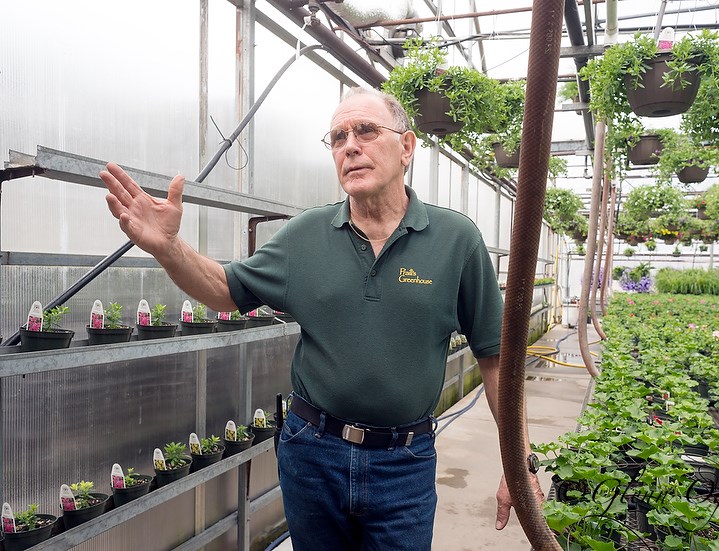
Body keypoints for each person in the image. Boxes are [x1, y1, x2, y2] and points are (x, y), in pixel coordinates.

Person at [100, 86, 543, 550]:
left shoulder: (456, 241)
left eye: (366, 131)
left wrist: (518, 461)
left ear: (406, 147)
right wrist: (169, 248)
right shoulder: (305, 236)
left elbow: (495, 360)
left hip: (403, 462)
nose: (350, 145)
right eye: (337, 138)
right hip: (313, 454)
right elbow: (224, 291)